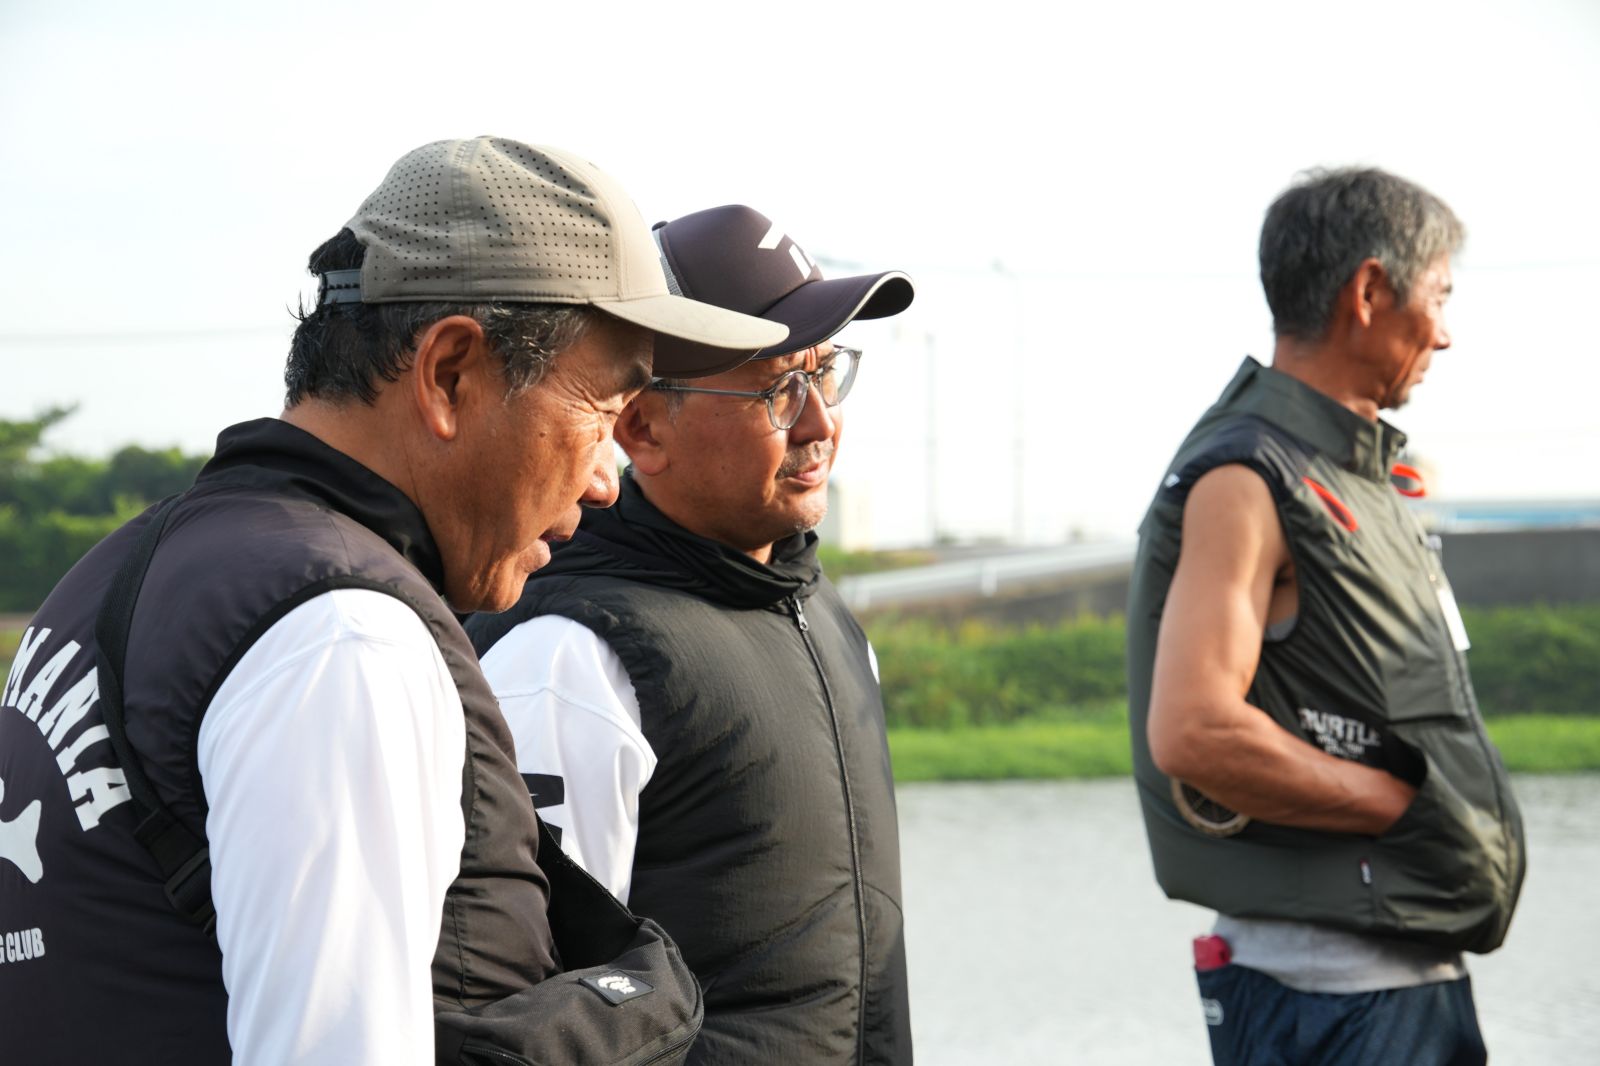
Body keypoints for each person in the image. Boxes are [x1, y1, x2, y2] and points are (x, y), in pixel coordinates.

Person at [0, 137, 784, 1066]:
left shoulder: (114, 580)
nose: (608, 480)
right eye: (602, 411)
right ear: (450, 373)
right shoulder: (343, 638)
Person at [468, 204, 916, 1065]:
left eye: (826, 374)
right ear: (642, 427)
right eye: (778, 390)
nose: (819, 424)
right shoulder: (569, 656)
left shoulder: (826, 615)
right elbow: (536, 1006)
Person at [1126, 167, 1526, 1065]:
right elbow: (1195, 731)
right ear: (1370, 292)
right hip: (1333, 994)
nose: (1446, 333)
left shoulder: (1342, 471)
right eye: (1439, 296)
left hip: (1394, 979)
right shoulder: (1249, 477)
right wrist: (1404, 807)